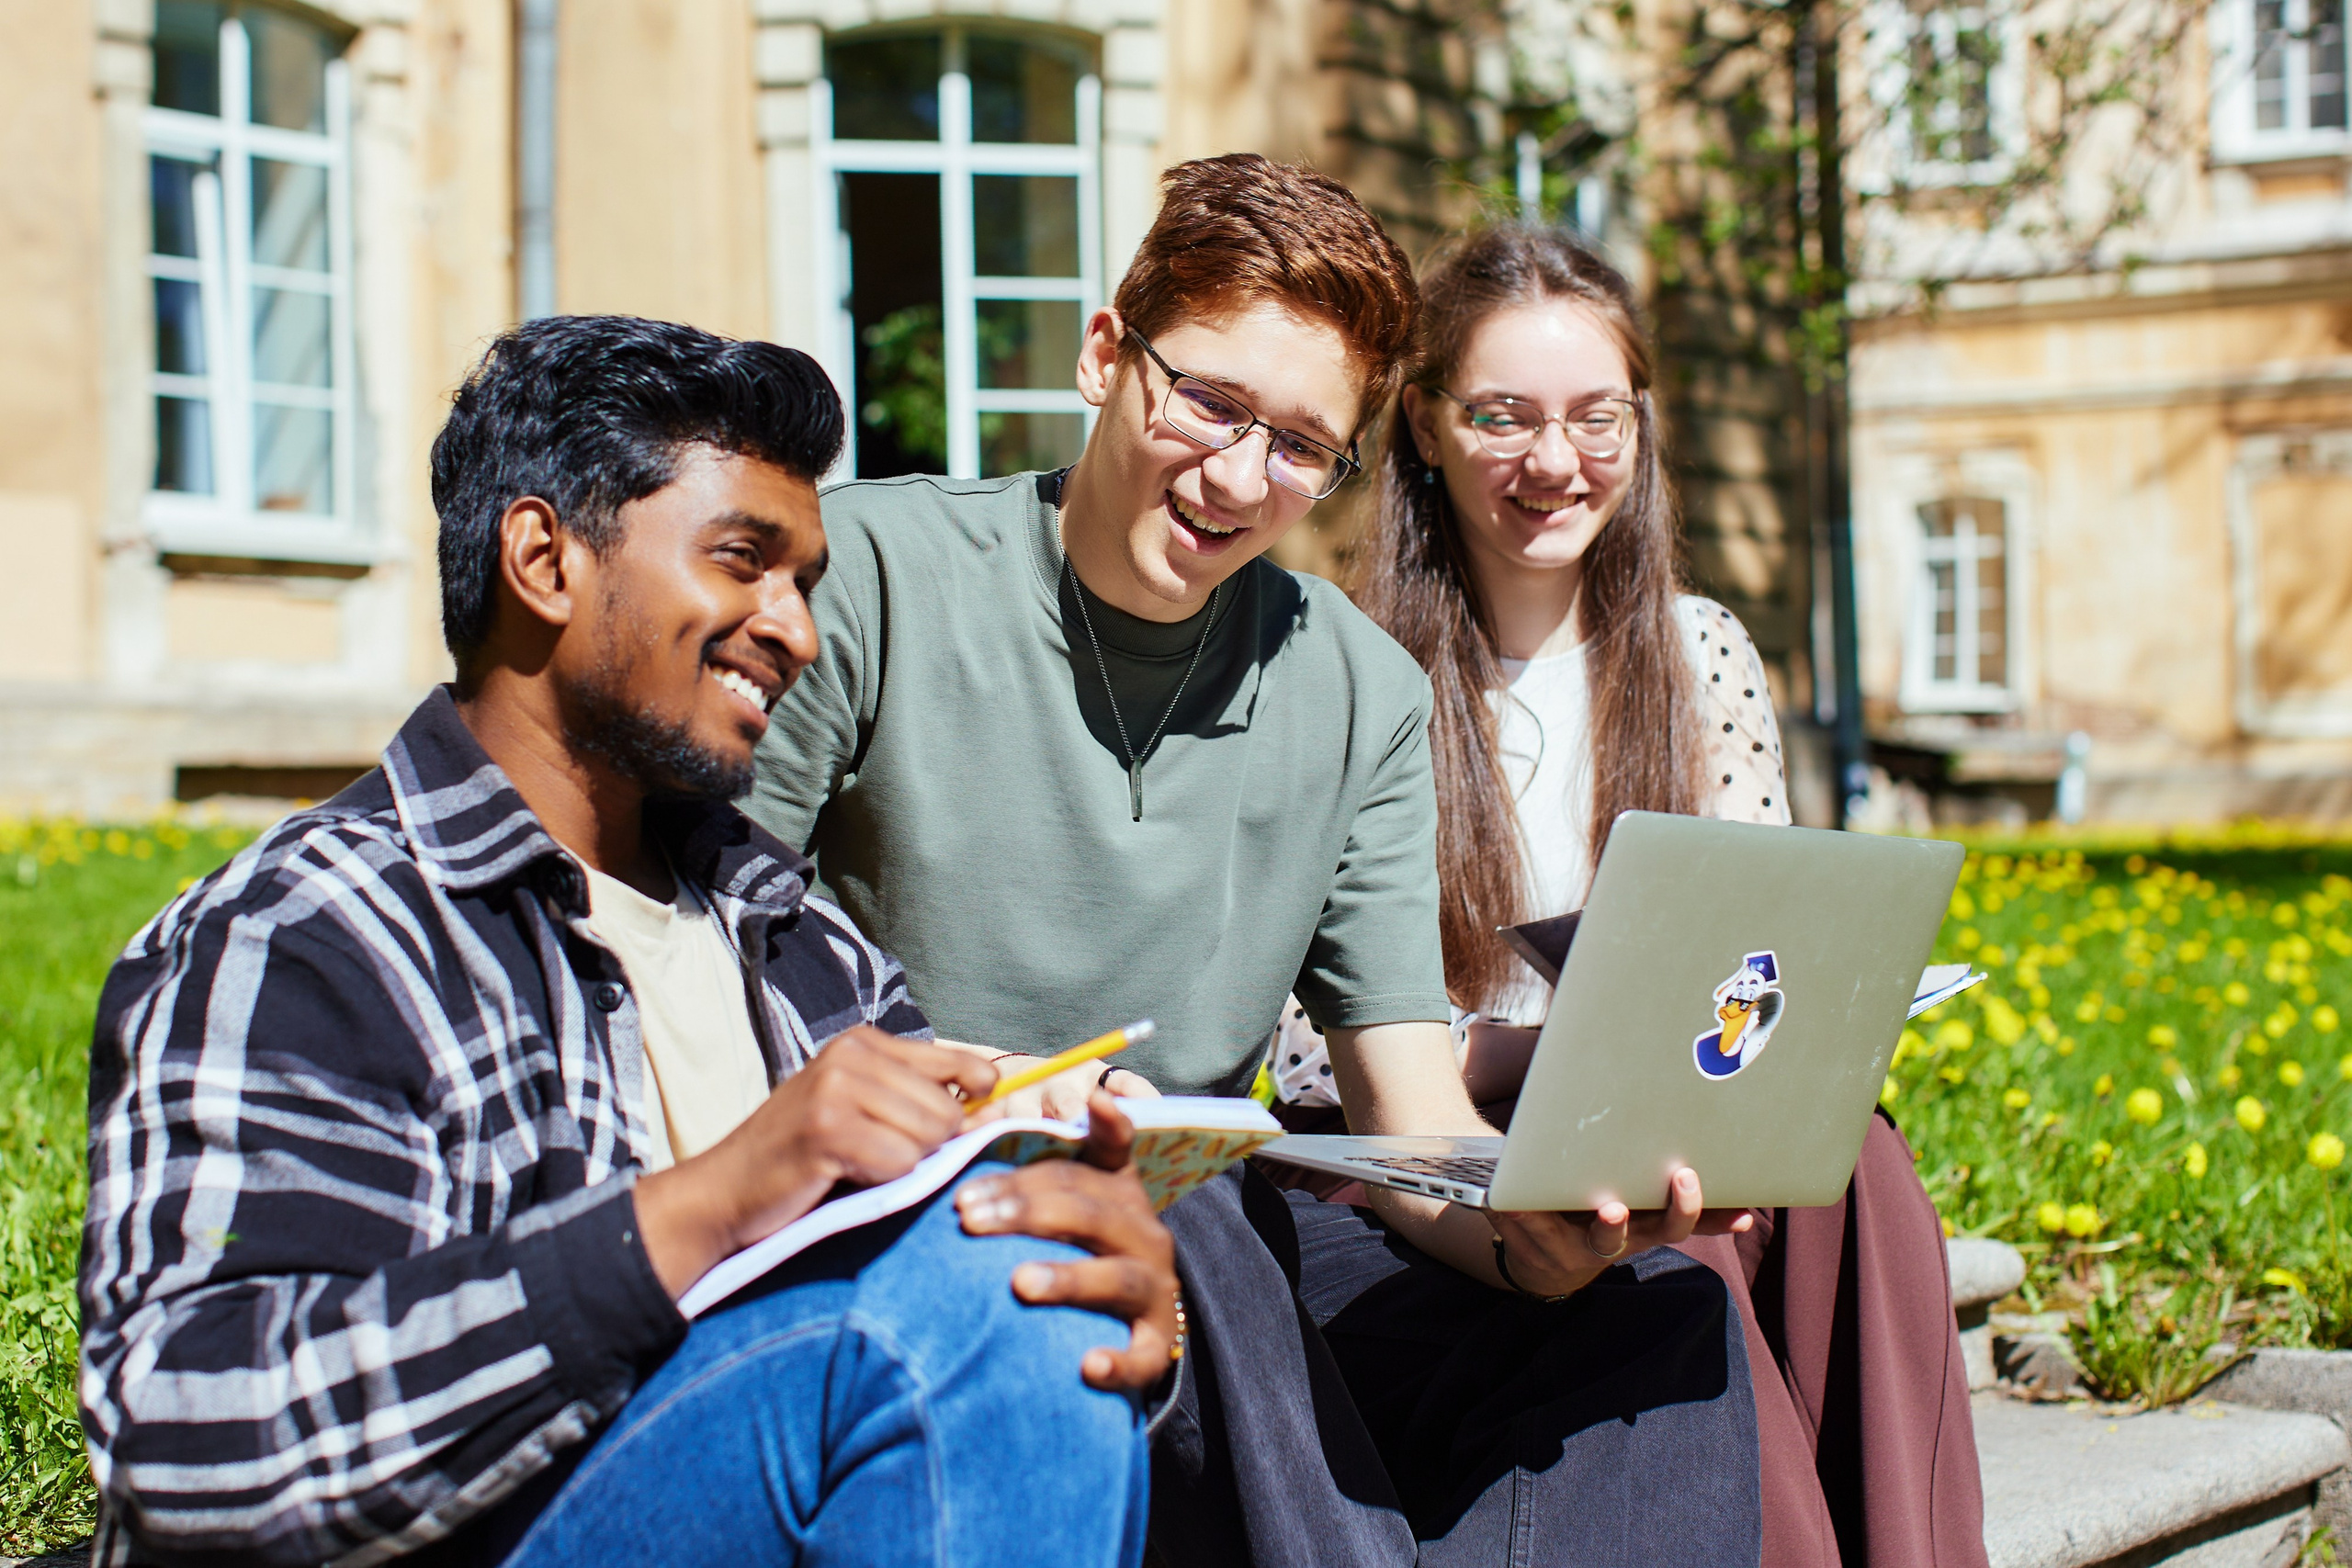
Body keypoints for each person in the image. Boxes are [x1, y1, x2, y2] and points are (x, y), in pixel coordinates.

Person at [749, 153, 1764, 1568]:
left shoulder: (1353, 688)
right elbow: (708, 947)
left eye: (1301, 446)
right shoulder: (871, 575)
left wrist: (1534, 1229)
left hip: (1199, 1243)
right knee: (1194, 1248)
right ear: (1107, 355)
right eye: (1210, 403)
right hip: (923, 1212)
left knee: (1654, 1317)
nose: (1239, 478)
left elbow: (1408, 1106)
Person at [77, 316, 1178, 1568]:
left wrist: (1093, 1290)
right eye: (743, 560)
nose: (797, 631)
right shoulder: (312, 934)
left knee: (1017, 1288)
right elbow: (181, 1441)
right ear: (544, 561)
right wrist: (695, 1214)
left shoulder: (804, 945)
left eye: (804, 583)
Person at [1339, 222, 1989, 1568]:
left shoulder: (1699, 653)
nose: (1556, 463)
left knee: (1857, 1158)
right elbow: (1309, 1041)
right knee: (1666, 1253)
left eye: (1596, 417)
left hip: (1671, 1088)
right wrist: (1547, 1049)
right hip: (1450, 1132)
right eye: (1505, 417)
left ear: (1641, 423)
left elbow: (1770, 938)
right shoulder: (1351, 675)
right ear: (1425, 426)